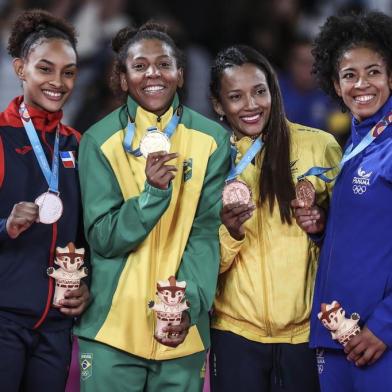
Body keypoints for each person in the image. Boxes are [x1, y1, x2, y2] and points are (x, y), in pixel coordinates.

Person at [74, 22, 230, 391]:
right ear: (123, 79)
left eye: (163, 64)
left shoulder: (212, 140)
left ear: (180, 74)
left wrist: (186, 307)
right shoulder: (99, 141)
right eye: (139, 66)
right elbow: (103, 237)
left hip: (183, 332)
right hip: (113, 329)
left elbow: (206, 233)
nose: (153, 74)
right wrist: (153, 195)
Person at [208, 45, 341, 392]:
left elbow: (347, 241)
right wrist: (230, 233)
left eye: (260, 91)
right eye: (235, 96)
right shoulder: (209, 161)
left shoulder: (320, 147)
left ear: (274, 90)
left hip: (306, 333)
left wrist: (320, 226)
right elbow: (201, 264)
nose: (251, 105)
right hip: (236, 334)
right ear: (218, 105)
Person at [292, 11, 392, 392]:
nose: (361, 84)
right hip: (336, 335)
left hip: (377, 340)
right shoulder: (352, 147)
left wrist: (385, 325)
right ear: (335, 84)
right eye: (349, 75)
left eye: (373, 72)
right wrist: (321, 228)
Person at [0, 9, 89, 392]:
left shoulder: (79, 146)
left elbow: (90, 233)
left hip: (56, 326)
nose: (58, 82)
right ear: (21, 68)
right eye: (45, 69)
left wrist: (89, 286)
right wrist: (5, 225)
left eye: (68, 72)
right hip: (4, 321)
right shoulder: (1, 138)